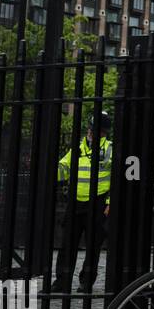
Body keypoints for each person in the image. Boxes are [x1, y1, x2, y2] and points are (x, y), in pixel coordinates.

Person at [53, 112, 113, 292]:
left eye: (96, 130)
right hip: (76, 202)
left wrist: (110, 202)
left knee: (92, 247)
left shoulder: (110, 149)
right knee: (67, 245)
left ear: (104, 132)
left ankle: (86, 282)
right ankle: (61, 282)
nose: (92, 133)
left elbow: (116, 178)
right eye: (92, 129)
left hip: (99, 202)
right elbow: (62, 170)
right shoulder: (78, 149)